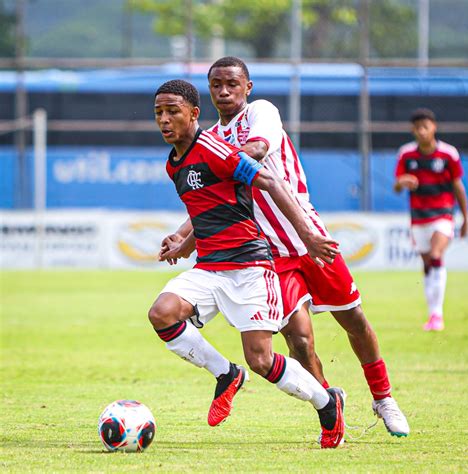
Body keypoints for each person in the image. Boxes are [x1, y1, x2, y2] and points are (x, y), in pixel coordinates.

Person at [161, 57, 410, 438]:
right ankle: (329, 406)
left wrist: (221, 159)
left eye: (232, 84)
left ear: (248, 87)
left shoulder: (260, 112)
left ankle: (384, 397)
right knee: (299, 339)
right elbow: (214, 198)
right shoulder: (208, 138)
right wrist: (183, 235)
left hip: (308, 237)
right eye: (216, 86)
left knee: (353, 319)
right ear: (208, 92)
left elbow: (257, 151)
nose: (224, 92)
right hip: (267, 252)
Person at [150, 78, 345, 448]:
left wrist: (308, 237)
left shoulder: (214, 149)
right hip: (209, 268)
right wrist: (182, 242)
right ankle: (226, 375)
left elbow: (269, 181)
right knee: (162, 313)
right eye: (159, 112)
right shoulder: (174, 163)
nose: (164, 119)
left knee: (262, 360)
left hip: (249, 267)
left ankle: (327, 402)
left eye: (172, 111)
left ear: (193, 114)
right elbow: (211, 210)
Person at [394, 108, 468, 331]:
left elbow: (458, 186)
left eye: (425, 126)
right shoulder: (406, 154)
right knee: (427, 264)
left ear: (433, 127)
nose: (421, 131)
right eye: (417, 128)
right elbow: (396, 185)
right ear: (413, 130)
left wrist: (465, 217)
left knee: (436, 256)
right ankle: (432, 313)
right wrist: (403, 181)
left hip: (443, 215)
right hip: (418, 218)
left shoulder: (448, 154)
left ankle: (438, 315)